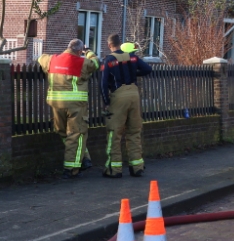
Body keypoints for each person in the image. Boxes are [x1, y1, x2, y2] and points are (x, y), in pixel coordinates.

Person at [37, 39, 99, 179]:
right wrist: (88, 52)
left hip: (56, 103)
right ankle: (71, 169)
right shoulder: (81, 62)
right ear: (79, 51)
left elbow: (40, 58)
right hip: (75, 105)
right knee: (77, 134)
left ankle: (84, 157)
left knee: (63, 131)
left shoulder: (52, 59)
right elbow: (96, 63)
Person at [100, 36, 153, 178]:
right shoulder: (132, 57)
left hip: (119, 96)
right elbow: (148, 69)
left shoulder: (109, 60)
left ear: (109, 44)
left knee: (114, 133)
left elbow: (104, 83)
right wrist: (135, 73)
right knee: (134, 131)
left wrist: (106, 102)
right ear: (120, 44)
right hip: (134, 94)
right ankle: (137, 167)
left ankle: (114, 169)